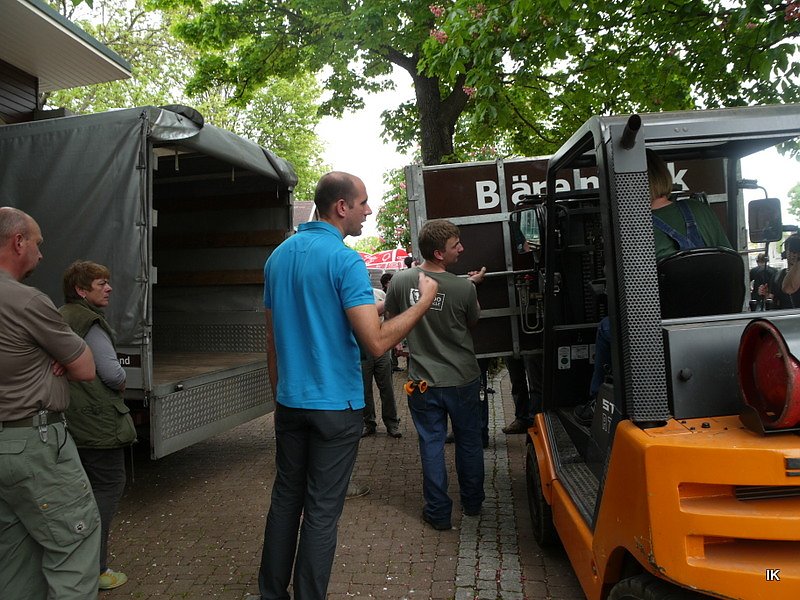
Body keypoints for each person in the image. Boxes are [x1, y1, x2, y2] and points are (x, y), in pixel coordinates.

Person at [258, 172, 438, 600]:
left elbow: (272, 340)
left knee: (286, 500)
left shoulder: (277, 257)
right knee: (321, 510)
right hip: (335, 408)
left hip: (290, 402)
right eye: (363, 203)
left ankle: (271, 593)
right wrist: (423, 302)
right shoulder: (345, 260)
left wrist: (280, 395)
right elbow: (375, 342)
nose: (368, 211)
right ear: (342, 207)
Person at [577, 150, 733, 425]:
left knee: (605, 328)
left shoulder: (633, 226)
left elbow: (625, 291)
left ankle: (595, 401)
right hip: (719, 326)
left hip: (659, 332)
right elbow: (728, 262)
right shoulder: (700, 210)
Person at [0, 207, 101, 599]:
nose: (41, 255)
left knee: (14, 559)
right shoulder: (28, 302)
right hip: (35, 445)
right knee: (74, 546)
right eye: (38, 244)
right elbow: (86, 367)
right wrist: (52, 355)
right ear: (18, 242)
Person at [385, 219, 487, 530]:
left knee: (431, 444)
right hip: (462, 380)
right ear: (439, 253)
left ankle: (438, 513)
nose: (462, 248)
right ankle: (472, 504)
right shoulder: (462, 287)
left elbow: (392, 319)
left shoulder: (401, 281)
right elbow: (472, 323)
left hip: (422, 382)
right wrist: (470, 287)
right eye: (456, 244)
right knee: (469, 442)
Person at [59, 260, 137, 591]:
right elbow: (113, 373)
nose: (108, 288)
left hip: (72, 419)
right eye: (100, 284)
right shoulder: (90, 323)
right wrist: (120, 384)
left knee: (77, 494)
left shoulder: (60, 316)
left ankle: (73, 564)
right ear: (81, 290)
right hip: (97, 423)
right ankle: (97, 568)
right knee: (107, 489)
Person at [361, 286, 402, 438]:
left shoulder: (379, 293)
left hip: (382, 347)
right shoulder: (353, 294)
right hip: (362, 348)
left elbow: (389, 316)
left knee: (387, 387)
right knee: (365, 389)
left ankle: (392, 423)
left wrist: (394, 340)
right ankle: (368, 423)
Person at [769, 234, 800, 309]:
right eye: (791, 250)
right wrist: (765, 295)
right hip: (784, 317)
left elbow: (789, 288)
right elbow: (773, 298)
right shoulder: (777, 275)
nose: (794, 254)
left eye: (797, 250)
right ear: (785, 252)